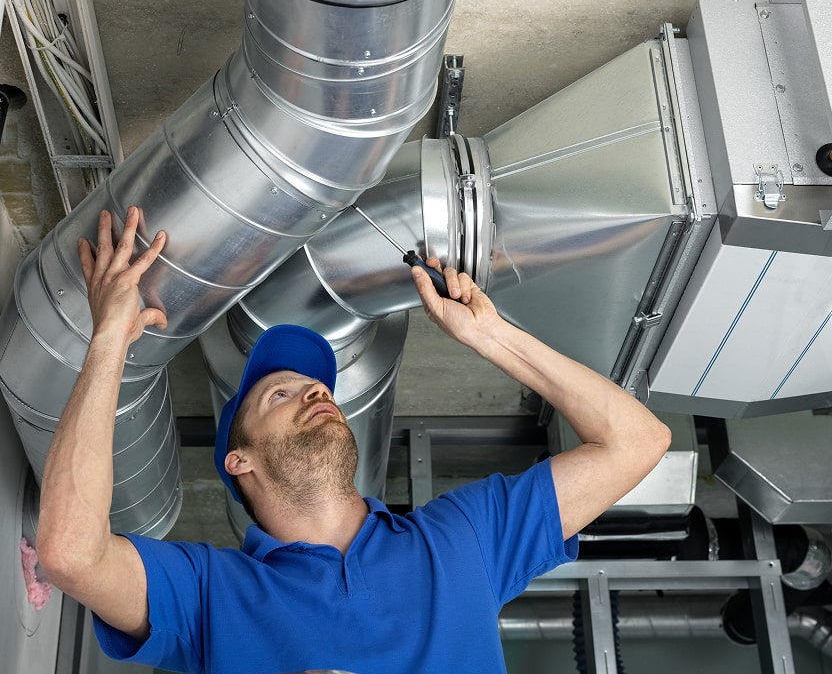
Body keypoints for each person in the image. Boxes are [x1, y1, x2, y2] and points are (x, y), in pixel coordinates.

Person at [36, 206, 671, 674]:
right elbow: (68, 551)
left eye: (318, 390)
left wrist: (491, 337)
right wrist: (109, 340)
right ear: (239, 460)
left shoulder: (463, 540)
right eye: (280, 394)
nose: (316, 392)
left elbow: (638, 440)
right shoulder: (208, 594)